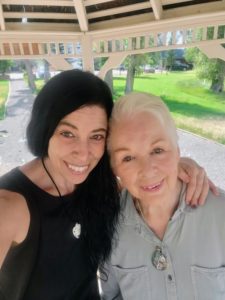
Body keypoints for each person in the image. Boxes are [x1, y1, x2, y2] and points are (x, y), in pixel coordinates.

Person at [0, 70, 215, 300]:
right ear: (45, 128)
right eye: (67, 133)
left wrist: (175, 163)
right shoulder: (10, 206)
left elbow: (140, 175)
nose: (83, 154)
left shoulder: (97, 184)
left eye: (96, 136)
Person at [101, 92, 225, 300]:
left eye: (158, 150)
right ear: (114, 168)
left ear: (177, 151)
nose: (147, 171)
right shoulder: (108, 225)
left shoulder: (220, 214)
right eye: (128, 158)